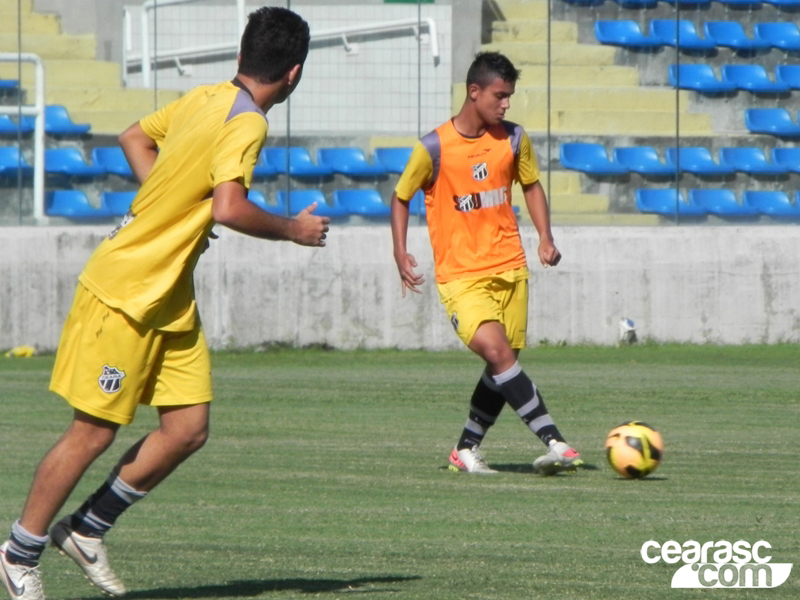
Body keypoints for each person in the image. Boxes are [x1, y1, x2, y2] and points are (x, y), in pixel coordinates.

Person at [0, 8, 327, 600]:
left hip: (168, 295)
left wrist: (166, 206)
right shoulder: (248, 123)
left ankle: (87, 528)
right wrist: (292, 230)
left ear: (240, 56)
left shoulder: (206, 95)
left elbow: (133, 136)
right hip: (127, 291)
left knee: (186, 428)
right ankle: (18, 551)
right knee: (92, 433)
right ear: (295, 74)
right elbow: (229, 207)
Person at [390, 51, 582, 476]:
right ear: (473, 92)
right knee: (497, 353)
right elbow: (401, 196)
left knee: (502, 364)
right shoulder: (434, 146)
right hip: (461, 277)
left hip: (511, 268)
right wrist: (399, 251)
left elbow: (531, 186)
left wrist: (545, 238)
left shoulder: (513, 139)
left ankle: (465, 449)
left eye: (510, 96)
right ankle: (557, 441)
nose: (506, 104)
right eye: (500, 95)